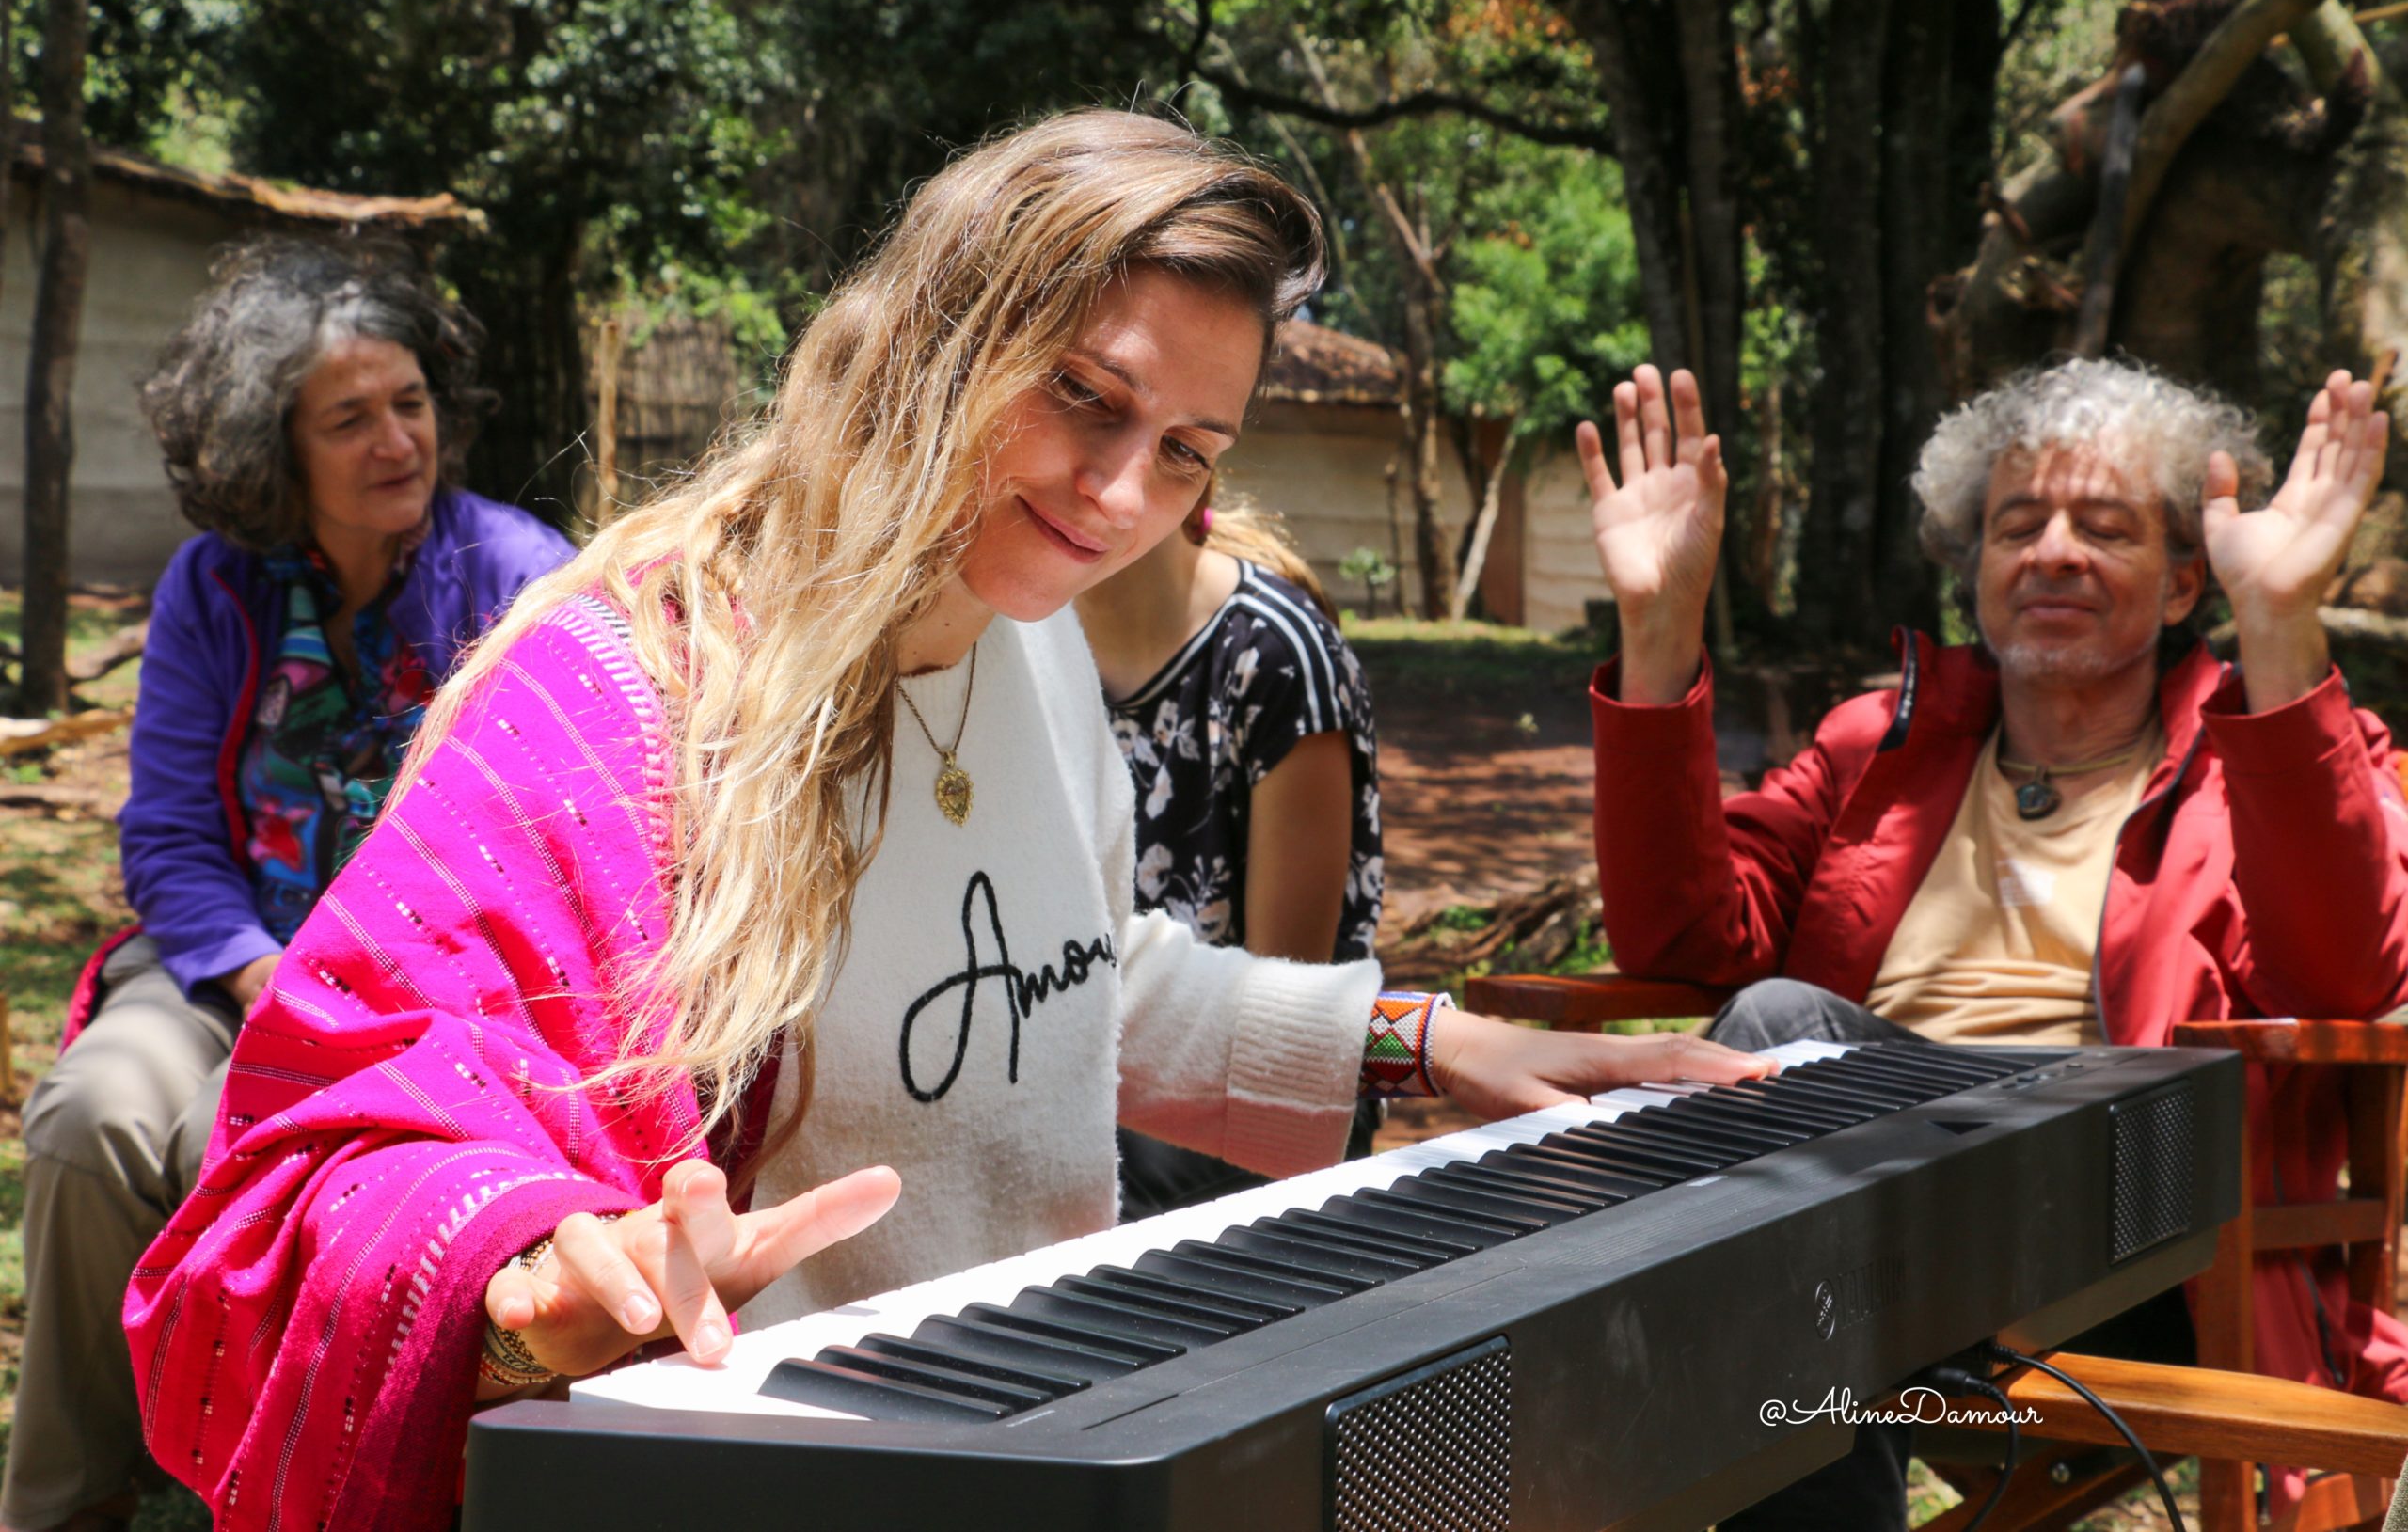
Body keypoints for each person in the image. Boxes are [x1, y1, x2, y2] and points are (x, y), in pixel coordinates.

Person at [123, 112, 1767, 1532]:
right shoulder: (623, 689)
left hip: (1065, 1445)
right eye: (1084, 398)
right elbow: (320, 1154)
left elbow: (1076, 988)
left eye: (1188, 452)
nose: (1123, 496)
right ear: (934, 330)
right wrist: (537, 1265)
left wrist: (1426, 1043)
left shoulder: (1028, 631)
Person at [1580, 357, 2408, 1528]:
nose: (2055, 549)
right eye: (2019, 523)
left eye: (2105, 526)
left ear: (2184, 585)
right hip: (1848, 1230)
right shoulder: (1881, 746)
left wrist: (2279, 629)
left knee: (1773, 1043)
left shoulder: (2258, 761)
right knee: (1771, 1276)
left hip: (2139, 1237)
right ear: (1974, 570)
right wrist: (1659, 628)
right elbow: (1676, 931)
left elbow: (2344, 979)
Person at [2, 238, 571, 1532]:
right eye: (350, 417)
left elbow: (541, 855)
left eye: (411, 402)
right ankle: (67, 1506)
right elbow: (167, 842)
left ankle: (256, 1492)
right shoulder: (216, 587)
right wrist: (263, 975)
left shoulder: (520, 580)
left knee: (232, 1146)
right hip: (226, 964)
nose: (396, 440)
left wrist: (327, 998)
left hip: (426, 1007)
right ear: (277, 448)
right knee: (90, 1117)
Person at [1076, 485, 1383, 1218]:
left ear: (1196, 478)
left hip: (1274, 1069)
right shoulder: (1016, 637)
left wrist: (1434, 1049)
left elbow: (1287, 1009)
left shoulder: (1275, 655)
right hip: (1090, 1067)